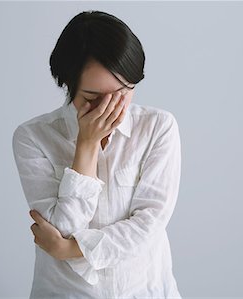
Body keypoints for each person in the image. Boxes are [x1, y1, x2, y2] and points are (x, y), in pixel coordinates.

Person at [12, 10, 182, 298]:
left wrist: (72, 249)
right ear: (68, 86)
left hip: (145, 290)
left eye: (121, 94)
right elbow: (59, 228)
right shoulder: (33, 137)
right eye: (92, 99)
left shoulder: (157, 127)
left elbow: (150, 222)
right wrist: (86, 145)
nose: (109, 109)